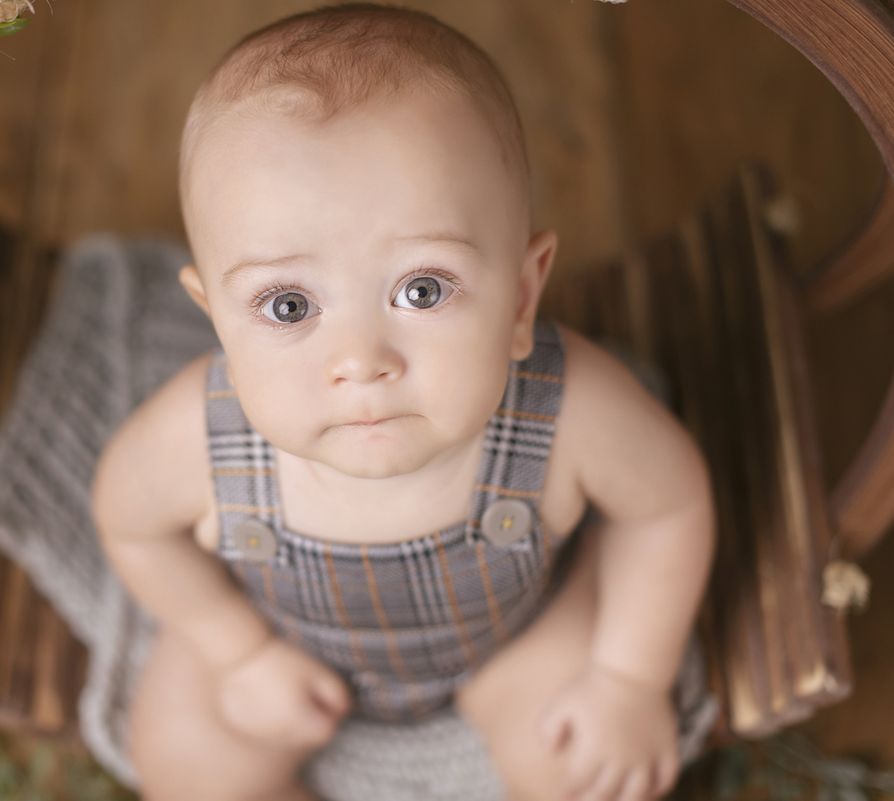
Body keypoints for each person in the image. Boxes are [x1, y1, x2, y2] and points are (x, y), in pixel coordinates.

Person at [91, 5, 715, 800]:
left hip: (514, 644)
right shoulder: (196, 438)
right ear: (214, 318)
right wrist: (238, 649)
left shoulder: (573, 410)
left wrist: (628, 677)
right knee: (184, 762)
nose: (361, 360)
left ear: (522, 299)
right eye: (288, 306)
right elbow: (129, 524)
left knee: (579, 768)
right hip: (284, 643)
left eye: (422, 289)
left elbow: (667, 506)